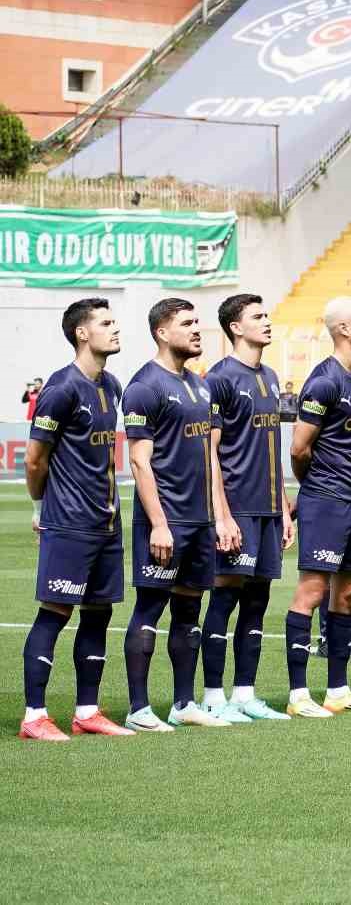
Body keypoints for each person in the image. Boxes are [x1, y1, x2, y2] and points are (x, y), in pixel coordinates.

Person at [19, 300, 133, 740]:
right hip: (69, 522)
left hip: (107, 521)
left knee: (98, 614)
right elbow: (34, 459)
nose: (115, 329)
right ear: (82, 333)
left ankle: (87, 711)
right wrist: (39, 508)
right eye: (106, 323)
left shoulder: (113, 385)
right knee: (54, 613)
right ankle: (34, 716)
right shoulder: (61, 389)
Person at [116, 299, 230, 730]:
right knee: (150, 607)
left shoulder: (200, 386)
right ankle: (138, 710)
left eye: (197, 322)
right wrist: (160, 524)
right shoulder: (144, 386)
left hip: (200, 522)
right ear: (162, 332)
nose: (197, 330)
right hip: (165, 521)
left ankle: (183, 704)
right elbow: (140, 462)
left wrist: (219, 515)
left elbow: (210, 457)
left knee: (188, 611)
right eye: (187, 324)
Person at [198, 294, 296, 723]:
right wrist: (222, 515)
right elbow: (210, 454)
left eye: (266, 314)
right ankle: (213, 695)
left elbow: (270, 447)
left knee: (258, 600)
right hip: (237, 507)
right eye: (258, 316)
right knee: (225, 596)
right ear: (236, 327)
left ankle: (245, 694)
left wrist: (285, 509)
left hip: (270, 509)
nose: (267, 321)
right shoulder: (219, 378)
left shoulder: (272, 376)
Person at [283, 297, 351, 719]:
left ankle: (337, 689)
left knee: (350, 592)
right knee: (313, 590)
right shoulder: (323, 381)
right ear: (342, 328)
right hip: (325, 500)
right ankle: (298, 693)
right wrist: (317, 488)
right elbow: (299, 448)